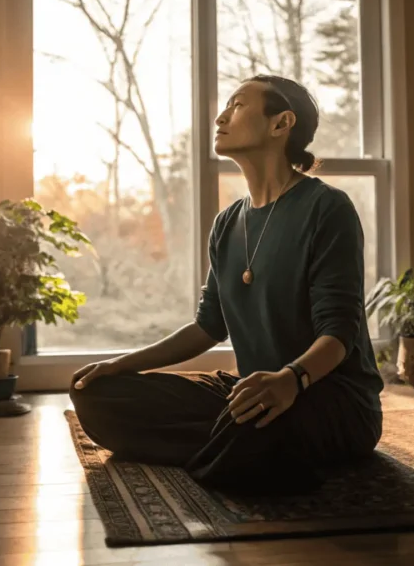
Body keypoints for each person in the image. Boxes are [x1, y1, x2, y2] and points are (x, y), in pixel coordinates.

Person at [69, 74, 384, 494]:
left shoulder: (327, 209)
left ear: (280, 123)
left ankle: (239, 447)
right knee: (95, 394)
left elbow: (339, 333)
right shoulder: (227, 223)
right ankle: (234, 451)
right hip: (250, 389)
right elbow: (207, 326)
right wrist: (122, 364)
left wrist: (289, 380)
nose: (220, 116)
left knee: (253, 423)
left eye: (236, 105)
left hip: (328, 396)